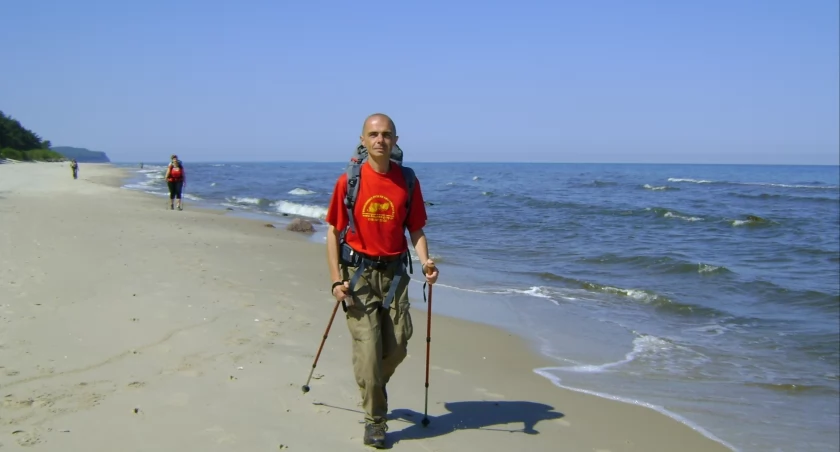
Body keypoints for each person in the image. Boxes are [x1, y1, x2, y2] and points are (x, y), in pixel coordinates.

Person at [324, 113, 439, 448]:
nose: (380, 140)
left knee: (399, 343)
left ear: (396, 140)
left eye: (386, 134)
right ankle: (375, 421)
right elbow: (332, 232)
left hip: (395, 275)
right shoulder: (349, 181)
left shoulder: (407, 180)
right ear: (363, 140)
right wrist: (335, 280)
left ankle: (373, 383)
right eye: (373, 134)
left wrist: (426, 261)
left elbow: (415, 228)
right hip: (358, 276)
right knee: (369, 350)